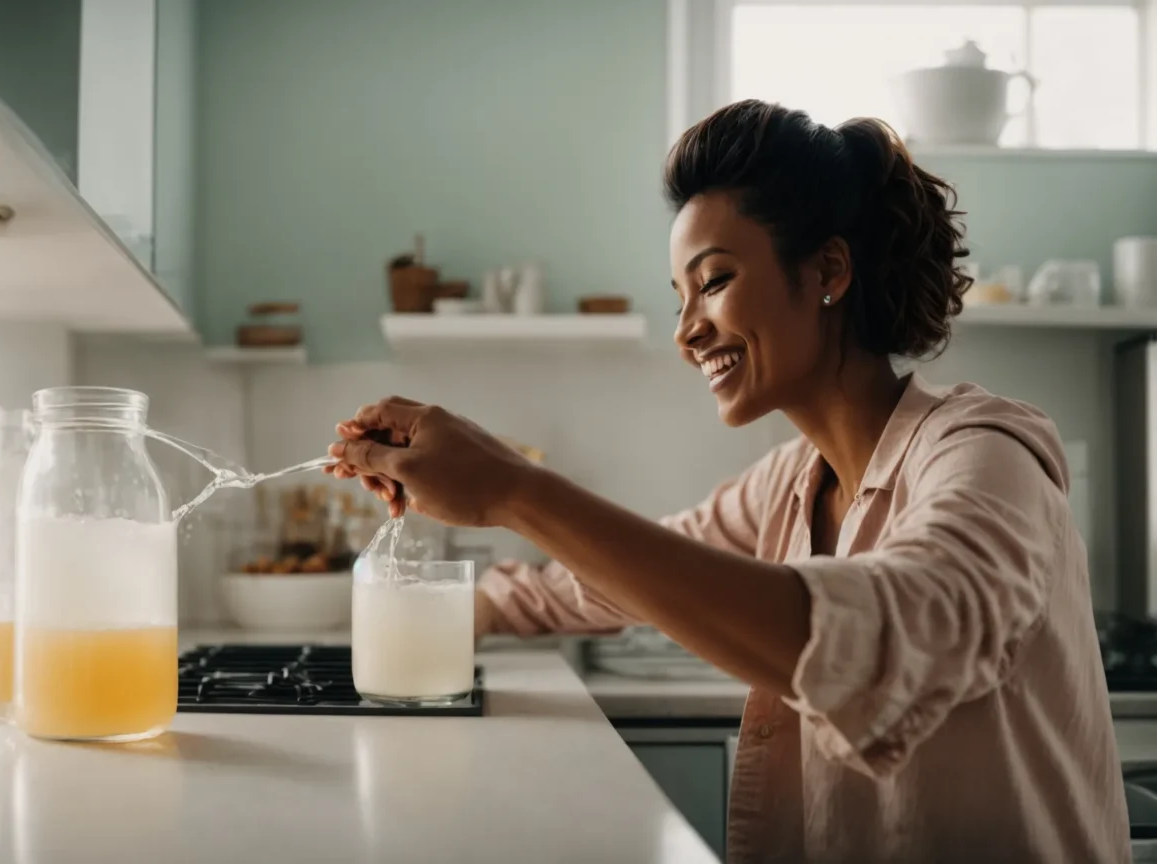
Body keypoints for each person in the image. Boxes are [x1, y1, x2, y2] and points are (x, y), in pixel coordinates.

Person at [327, 99, 1128, 863]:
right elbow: (594, 586)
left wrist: (511, 488)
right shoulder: (790, 482)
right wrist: (414, 611)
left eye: (712, 282)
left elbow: (887, 640)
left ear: (830, 271)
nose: (686, 331)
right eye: (679, 296)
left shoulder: (986, 451)